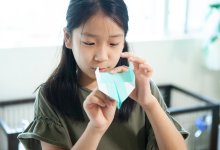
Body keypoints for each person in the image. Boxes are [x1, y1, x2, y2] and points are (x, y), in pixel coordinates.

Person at [18, 0, 188, 149]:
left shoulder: (143, 88)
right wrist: (96, 128)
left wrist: (149, 103)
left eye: (114, 43)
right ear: (68, 38)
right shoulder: (50, 96)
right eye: (89, 42)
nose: (102, 56)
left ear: (123, 42)